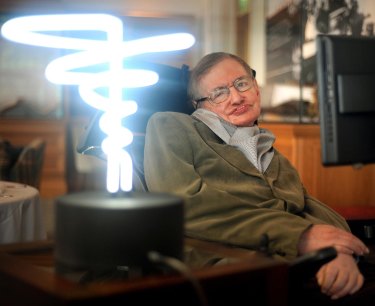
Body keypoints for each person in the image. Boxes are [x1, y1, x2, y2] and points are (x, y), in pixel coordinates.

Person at [143, 52, 375, 305]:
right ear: (200, 105)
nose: (236, 97)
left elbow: (306, 206)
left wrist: (338, 251)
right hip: (225, 266)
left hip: (288, 260)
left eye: (241, 83)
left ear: (256, 89)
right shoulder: (172, 124)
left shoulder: (270, 151)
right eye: (219, 93)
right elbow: (182, 206)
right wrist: (303, 236)